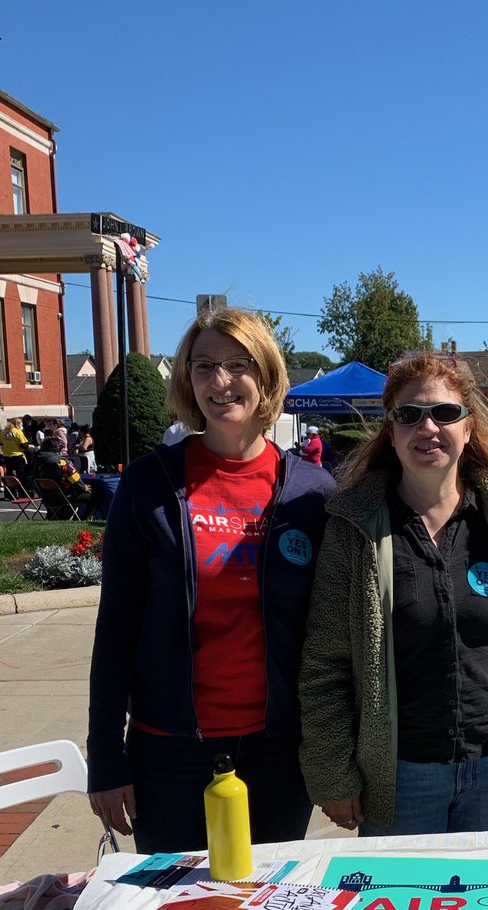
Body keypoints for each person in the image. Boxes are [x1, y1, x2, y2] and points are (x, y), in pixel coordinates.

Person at [87, 306, 336, 853]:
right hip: (169, 751)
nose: (220, 382)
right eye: (204, 366)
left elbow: (333, 637)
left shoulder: (313, 493)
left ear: (266, 374)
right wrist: (106, 757)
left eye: (238, 363)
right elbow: (116, 631)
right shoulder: (149, 485)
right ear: (186, 379)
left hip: (278, 750)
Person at [298, 354, 488, 837]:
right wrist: (332, 773)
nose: (427, 427)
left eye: (445, 414)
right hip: (401, 777)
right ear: (390, 431)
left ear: (470, 426)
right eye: (409, 415)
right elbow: (324, 665)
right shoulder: (353, 525)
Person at [32, 436, 93, 518]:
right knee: (95, 494)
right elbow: (74, 479)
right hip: (63, 496)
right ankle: (86, 518)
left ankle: (53, 515)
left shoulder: (36, 460)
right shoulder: (61, 461)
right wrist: (83, 487)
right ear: (57, 448)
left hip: (46, 497)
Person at [0, 416, 32, 485]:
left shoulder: (4, 432)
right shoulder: (17, 432)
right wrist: (30, 446)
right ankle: (22, 491)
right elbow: (23, 445)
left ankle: (9, 491)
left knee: (9, 473)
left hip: (7, 456)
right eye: (21, 425)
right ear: (17, 424)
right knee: (21, 473)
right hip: (17, 455)